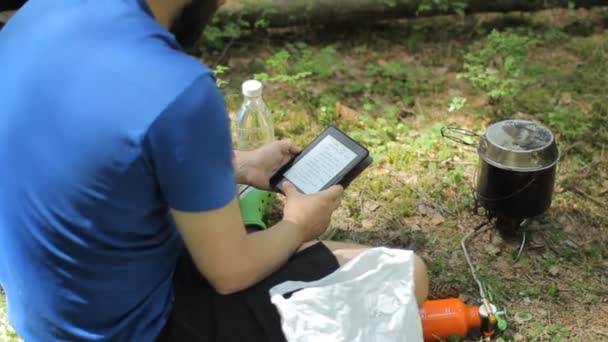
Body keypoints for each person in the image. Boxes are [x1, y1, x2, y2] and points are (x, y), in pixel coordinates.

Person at [0, 0, 429, 341]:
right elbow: (231, 273)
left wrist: (237, 165)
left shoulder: (33, 18)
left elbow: (100, 153)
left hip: (49, 317)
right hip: (136, 328)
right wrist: (300, 224)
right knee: (402, 275)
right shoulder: (176, 86)